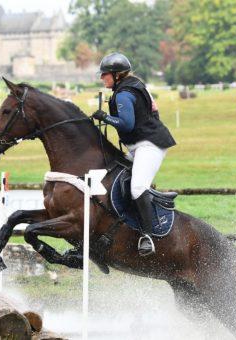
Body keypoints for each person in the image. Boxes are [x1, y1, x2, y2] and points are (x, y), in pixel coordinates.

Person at [92, 52, 176, 256]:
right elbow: (153, 111)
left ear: (116, 75)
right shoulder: (135, 85)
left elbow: (127, 125)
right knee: (116, 172)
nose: (102, 78)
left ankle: (147, 236)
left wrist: (105, 117)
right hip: (141, 145)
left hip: (149, 146)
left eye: (105, 75)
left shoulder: (124, 94)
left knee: (138, 187)